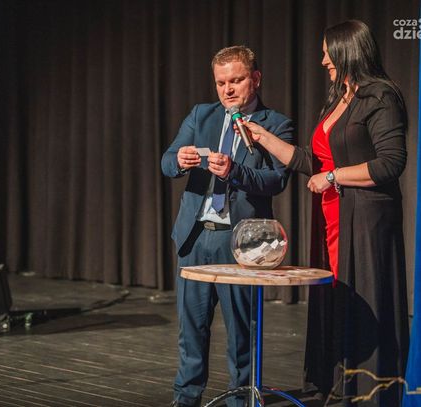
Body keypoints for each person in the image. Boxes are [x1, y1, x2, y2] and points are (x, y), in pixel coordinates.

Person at [241, 20, 410, 406]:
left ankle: (368, 393)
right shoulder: (339, 99)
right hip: (334, 216)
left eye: (327, 53)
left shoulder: (380, 96)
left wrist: (333, 177)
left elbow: (390, 163)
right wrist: (263, 137)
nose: (322, 61)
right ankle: (335, 386)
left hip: (366, 219)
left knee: (365, 300)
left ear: (348, 50)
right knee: (336, 299)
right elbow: (312, 161)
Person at [161, 45, 293, 407]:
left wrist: (236, 172)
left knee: (241, 334)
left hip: (240, 242)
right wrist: (181, 160)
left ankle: (241, 401)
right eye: (221, 82)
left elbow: (277, 180)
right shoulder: (201, 115)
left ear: (256, 79)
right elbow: (167, 161)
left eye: (236, 80)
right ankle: (185, 399)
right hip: (195, 237)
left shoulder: (275, 123)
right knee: (191, 330)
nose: (227, 89)